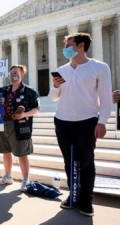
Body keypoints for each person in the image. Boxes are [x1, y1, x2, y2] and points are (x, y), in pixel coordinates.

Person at [49, 33, 112, 217]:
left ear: (81, 46)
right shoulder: (61, 69)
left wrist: (103, 121)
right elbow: (53, 97)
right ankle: (73, 196)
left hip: (87, 122)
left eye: (69, 45)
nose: (66, 49)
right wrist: (55, 85)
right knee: (69, 162)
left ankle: (86, 201)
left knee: (86, 162)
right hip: (62, 121)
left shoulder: (99, 67)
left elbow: (106, 96)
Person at [0, 65, 40, 191]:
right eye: (11, 73)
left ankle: (26, 180)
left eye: (15, 72)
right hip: (3, 124)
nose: (13, 75)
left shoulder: (30, 91)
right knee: (6, 152)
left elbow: (37, 110)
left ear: (22, 73)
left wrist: (24, 114)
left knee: (22, 154)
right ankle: (7, 176)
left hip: (20, 126)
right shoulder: (4, 89)